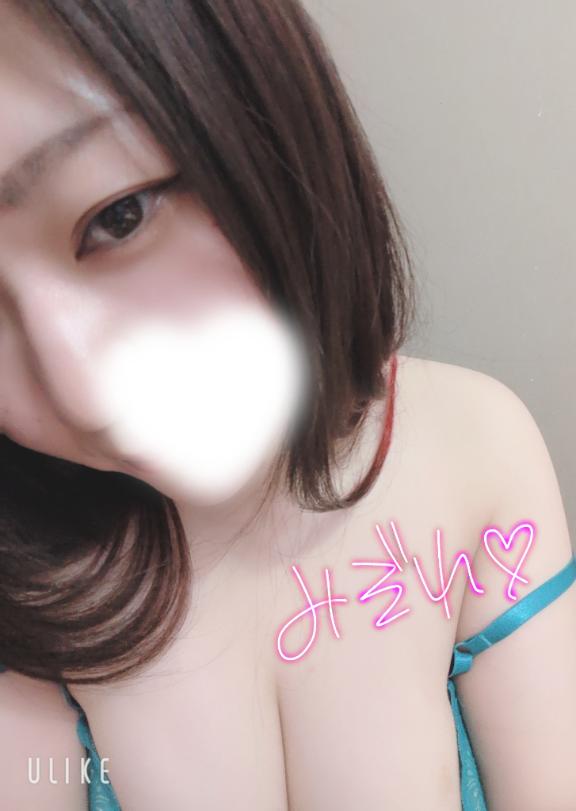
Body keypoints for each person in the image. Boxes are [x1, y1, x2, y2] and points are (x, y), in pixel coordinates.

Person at [0, 2, 574, 810]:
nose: (80, 395)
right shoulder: (27, 597)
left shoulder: (473, 452)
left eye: (118, 217)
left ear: (260, 119)